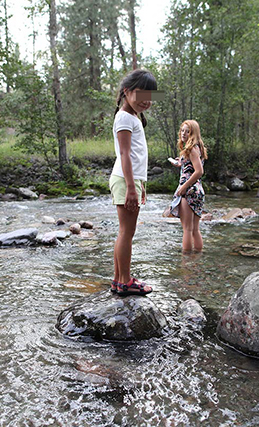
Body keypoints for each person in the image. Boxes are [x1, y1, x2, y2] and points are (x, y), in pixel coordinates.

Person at [109, 69, 158, 296]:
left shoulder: (131, 117)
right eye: (141, 96)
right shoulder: (125, 117)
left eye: (150, 97)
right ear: (127, 92)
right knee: (127, 232)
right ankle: (126, 281)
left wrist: (139, 186)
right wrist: (131, 188)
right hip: (125, 180)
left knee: (125, 232)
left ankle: (119, 280)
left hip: (130, 179)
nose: (146, 101)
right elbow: (125, 154)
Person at [168, 120, 208, 253]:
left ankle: (186, 263)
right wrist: (180, 163)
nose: (183, 133)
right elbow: (191, 166)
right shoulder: (197, 148)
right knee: (195, 229)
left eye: (187, 131)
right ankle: (197, 259)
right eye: (182, 130)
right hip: (197, 190)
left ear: (193, 133)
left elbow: (199, 171)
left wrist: (183, 187)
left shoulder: (191, 149)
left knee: (187, 229)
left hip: (189, 190)